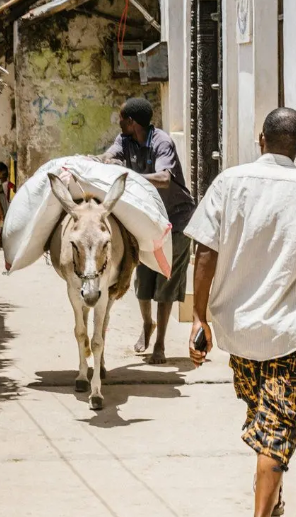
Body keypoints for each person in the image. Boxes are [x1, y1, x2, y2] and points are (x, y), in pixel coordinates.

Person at [184, 108, 296, 517]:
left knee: (266, 417)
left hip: (237, 332)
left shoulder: (228, 182)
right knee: (276, 429)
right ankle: (264, 511)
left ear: (261, 140)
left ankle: (271, 500)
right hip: (286, 334)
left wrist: (199, 316)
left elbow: (205, 251)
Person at [97, 97, 196, 364]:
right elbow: (110, 156)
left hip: (175, 220)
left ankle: (160, 344)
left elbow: (164, 179)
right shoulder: (124, 140)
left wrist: (127, 174)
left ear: (132, 122)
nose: (118, 122)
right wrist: (102, 161)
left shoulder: (162, 142)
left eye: (121, 118)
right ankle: (147, 324)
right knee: (142, 280)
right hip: (146, 218)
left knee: (166, 282)